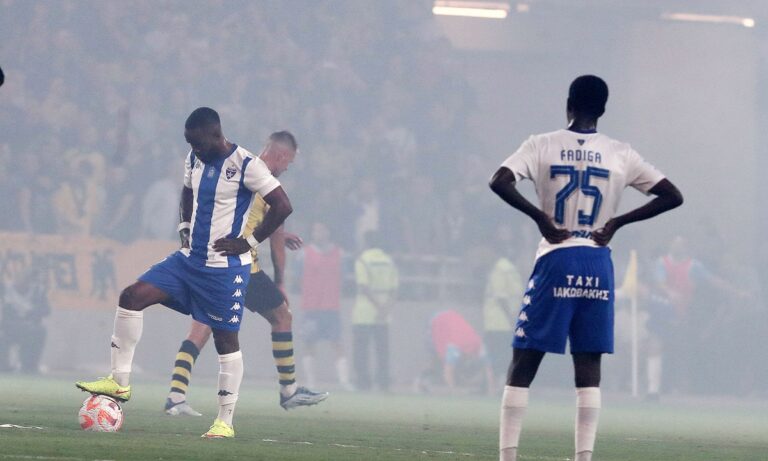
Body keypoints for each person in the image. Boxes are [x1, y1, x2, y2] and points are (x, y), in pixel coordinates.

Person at [489, 75, 683, 461]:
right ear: (603, 110)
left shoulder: (541, 144)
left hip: (557, 255)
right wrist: (617, 222)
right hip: (597, 261)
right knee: (589, 362)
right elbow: (672, 195)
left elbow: (500, 181)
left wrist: (540, 217)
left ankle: (508, 456)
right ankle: (584, 457)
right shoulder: (621, 153)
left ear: (568, 104)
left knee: (525, 358)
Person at [76, 107, 294, 439]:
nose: (194, 149)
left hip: (224, 271)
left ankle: (224, 422)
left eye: (198, 143)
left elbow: (283, 205)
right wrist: (184, 227)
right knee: (131, 297)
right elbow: (188, 191)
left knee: (225, 341)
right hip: (189, 261)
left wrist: (248, 241)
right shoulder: (194, 158)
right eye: (189, 143)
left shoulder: (247, 165)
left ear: (216, 136)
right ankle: (119, 382)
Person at [164, 131, 328, 417]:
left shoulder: (239, 167)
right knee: (282, 316)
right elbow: (274, 238)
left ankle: (175, 396)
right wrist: (280, 281)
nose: (287, 168)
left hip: (210, 262)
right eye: (289, 162)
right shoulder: (267, 181)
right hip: (242, 268)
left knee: (201, 327)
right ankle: (289, 390)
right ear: (281, 155)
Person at [297, 221, 352, 390]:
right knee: (309, 344)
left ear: (328, 232)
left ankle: (344, 382)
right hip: (311, 307)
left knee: (337, 343)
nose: (318, 234)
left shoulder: (340, 254)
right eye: (315, 231)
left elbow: (344, 278)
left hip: (331, 306)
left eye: (321, 230)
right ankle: (311, 382)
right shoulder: (304, 254)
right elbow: (298, 277)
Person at [351, 231, 398, 391]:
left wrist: (377, 306)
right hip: (384, 314)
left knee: (361, 350)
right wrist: (385, 308)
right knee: (382, 350)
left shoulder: (362, 260)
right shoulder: (389, 261)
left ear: (366, 243)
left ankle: (363, 382)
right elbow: (394, 290)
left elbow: (363, 287)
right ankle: (384, 382)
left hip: (364, 312)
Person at [420, 309, 494, 394]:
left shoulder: (480, 346)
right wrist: (453, 391)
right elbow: (448, 370)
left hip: (452, 318)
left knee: (448, 360)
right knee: (434, 356)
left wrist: (491, 388)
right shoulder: (454, 347)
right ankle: (420, 381)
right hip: (436, 321)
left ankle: (446, 380)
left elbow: (488, 368)